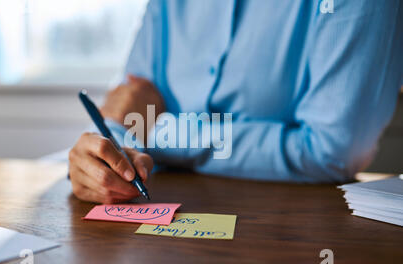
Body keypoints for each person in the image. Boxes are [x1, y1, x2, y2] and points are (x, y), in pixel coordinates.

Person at [68, 0, 403, 204]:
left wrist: (160, 132)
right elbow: (128, 105)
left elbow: (332, 151)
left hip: (297, 230)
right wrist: (100, 152)